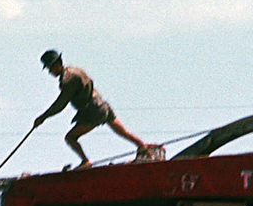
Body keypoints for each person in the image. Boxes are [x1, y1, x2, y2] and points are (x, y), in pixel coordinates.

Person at [32, 50, 162, 169]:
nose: (50, 72)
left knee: (70, 137)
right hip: (103, 106)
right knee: (122, 131)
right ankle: (142, 147)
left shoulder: (67, 79)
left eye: (50, 68)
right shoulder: (75, 69)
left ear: (58, 64)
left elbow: (60, 104)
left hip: (93, 111)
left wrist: (43, 117)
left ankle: (85, 161)